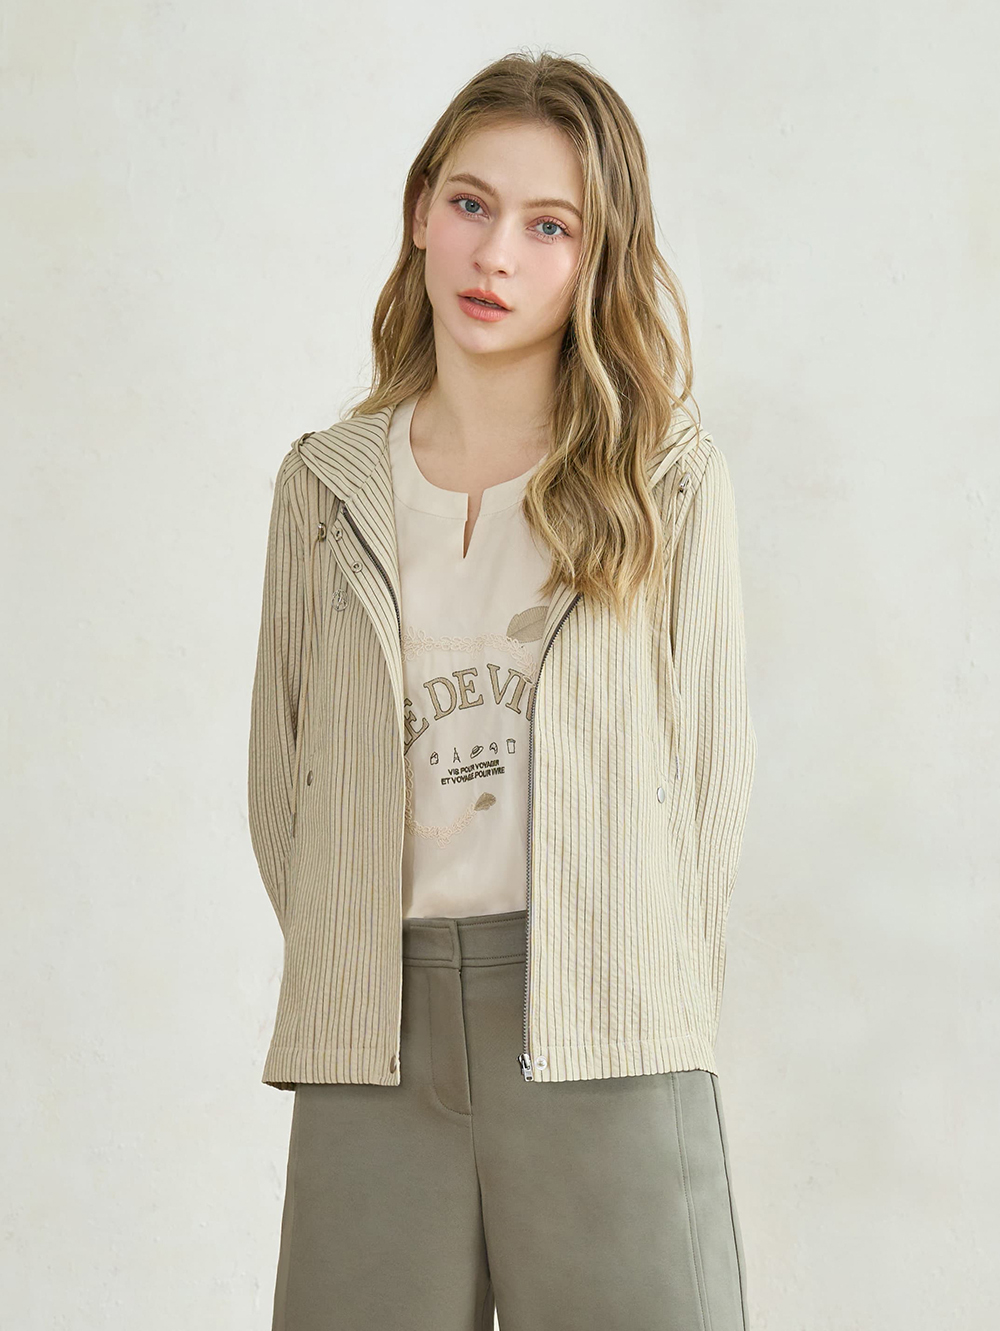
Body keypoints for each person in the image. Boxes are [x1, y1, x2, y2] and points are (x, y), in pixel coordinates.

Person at [248, 47, 757, 1331]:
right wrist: (358, 960)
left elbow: (708, 783)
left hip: (604, 1022)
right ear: (422, 208)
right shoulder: (324, 489)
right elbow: (282, 784)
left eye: (548, 226)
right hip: (375, 1035)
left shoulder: (665, 480)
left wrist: (632, 976)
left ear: (595, 258)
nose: (495, 256)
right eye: (472, 203)